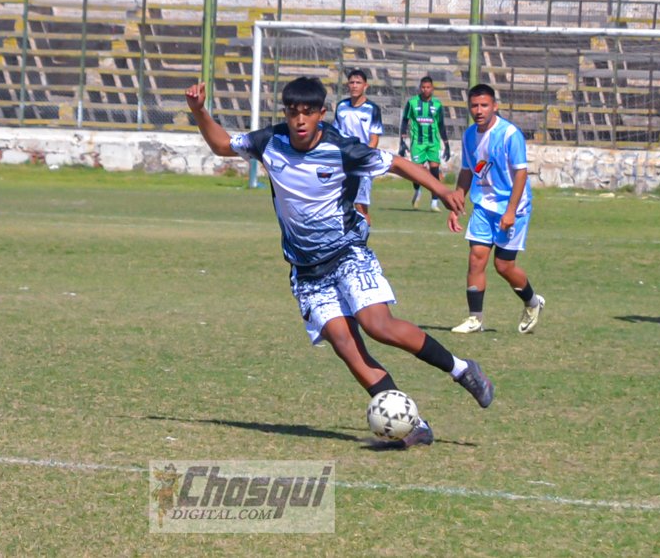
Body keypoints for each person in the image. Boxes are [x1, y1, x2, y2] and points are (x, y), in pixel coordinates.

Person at [184, 78, 494, 448]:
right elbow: (222, 145)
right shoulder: (270, 142)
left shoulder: (341, 148)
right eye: (293, 113)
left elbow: (396, 163)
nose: (300, 120)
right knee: (346, 345)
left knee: (377, 325)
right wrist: (200, 111)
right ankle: (414, 426)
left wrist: (440, 189)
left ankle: (461, 369)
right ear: (285, 113)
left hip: (347, 252)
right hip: (306, 271)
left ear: (321, 113)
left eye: (308, 113)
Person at [447, 83, 544, 335]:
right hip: (483, 206)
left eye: (484, 105)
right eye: (474, 106)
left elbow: (520, 174)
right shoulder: (469, 135)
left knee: (503, 266)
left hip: (513, 207)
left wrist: (510, 211)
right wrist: (456, 202)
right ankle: (475, 319)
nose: (479, 110)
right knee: (476, 259)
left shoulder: (510, 134)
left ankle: (533, 302)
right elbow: (468, 170)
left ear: (495, 106)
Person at [331, 69, 384, 224]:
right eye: (352, 82)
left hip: (362, 163)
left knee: (360, 206)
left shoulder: (372, 109)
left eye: (358, 83)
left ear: (365, 86)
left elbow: (374, 139)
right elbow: (336, 135)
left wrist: (362, 157)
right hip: (344, 162)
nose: (354, 85)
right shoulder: (341, 107)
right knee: (340, 204)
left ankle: (364, 236)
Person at [400, 76, 450, 212]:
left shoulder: (437, 104)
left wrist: (446, 144)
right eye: (423, 87)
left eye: (428, 87)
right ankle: (417, 191)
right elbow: (405, 121)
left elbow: (441, 125)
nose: (425, 89)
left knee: (434, 171)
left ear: (432, 88)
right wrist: (402, 142)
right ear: (420, 88)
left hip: (433, 143)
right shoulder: (412, 103)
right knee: (417, 171)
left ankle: (434, 202)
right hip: (418, 143)